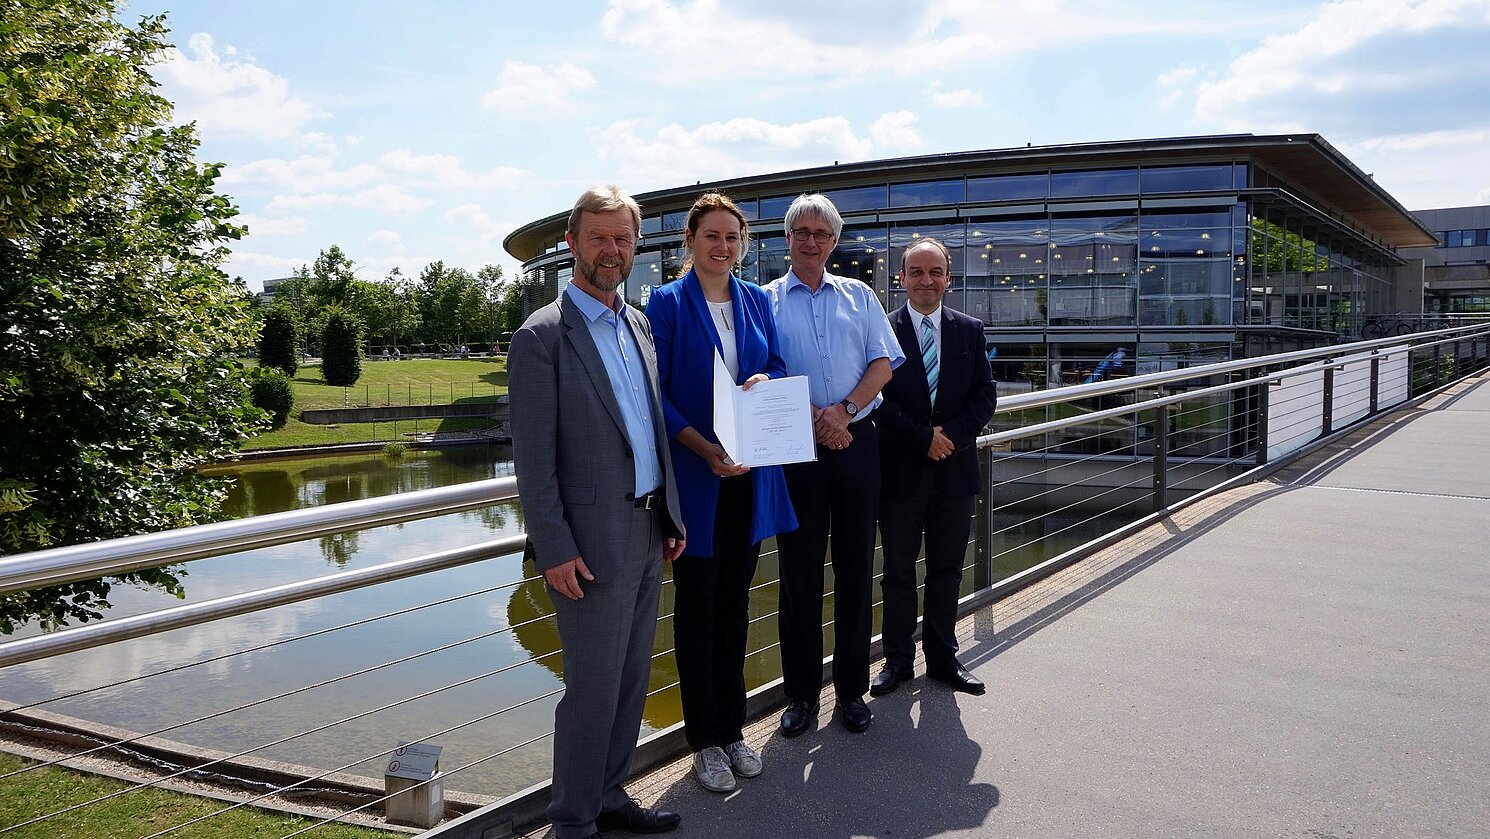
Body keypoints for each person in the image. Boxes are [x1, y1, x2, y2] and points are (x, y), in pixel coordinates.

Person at [508, 185, 686, 839]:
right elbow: (534, 459)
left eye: (622, 238)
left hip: (645, 530)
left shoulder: (638, 323)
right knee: (588, 691)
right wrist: (552, 546)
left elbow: (650, 430)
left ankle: (610, 794)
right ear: (571, 244)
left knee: (632, 679)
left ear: (635, 245)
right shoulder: (542, 337)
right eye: (598, 237)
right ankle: (573, 821)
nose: (611, 250)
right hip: (586, 542)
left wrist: (669, 515)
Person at [645, 191, 798, 793]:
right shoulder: (664, 303)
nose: (723, 246)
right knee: (697, 611)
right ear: (690, 240)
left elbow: (780, 365)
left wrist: (768, 379)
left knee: (736, 607)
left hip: (750, 476)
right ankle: (703, 741)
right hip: (698, 478)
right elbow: (654, 393)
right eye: (712, 235)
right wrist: (701, 446)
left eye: (732, 237)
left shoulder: (756, 299)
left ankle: (735, 731)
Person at [763, 194, 904, 737]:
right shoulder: (765, 299)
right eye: (803, 231)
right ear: (788, 237)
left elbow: (883, 363)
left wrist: (842, 413)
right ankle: (800, 697)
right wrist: (814, 418)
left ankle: (850, 692)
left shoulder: (859, 294)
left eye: (822, 233)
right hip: (795, 451)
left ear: (835, 242)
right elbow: (759, 370)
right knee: (798, 577)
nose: (812, 241)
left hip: (858, 442)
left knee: (853, 571)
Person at [872, 238, 998, 698]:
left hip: (955, 472)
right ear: (901, 278)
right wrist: (923, 438)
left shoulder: (970, 330)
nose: (926, 281)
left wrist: (950, 438)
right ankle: (898, 661)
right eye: (917, 272)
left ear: (949, 278)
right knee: (898, 572)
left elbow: (986, 396)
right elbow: (875, 399)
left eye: (935, 272)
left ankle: (944, 659)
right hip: (901, 472)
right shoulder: (880, 329)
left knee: (947, 570)